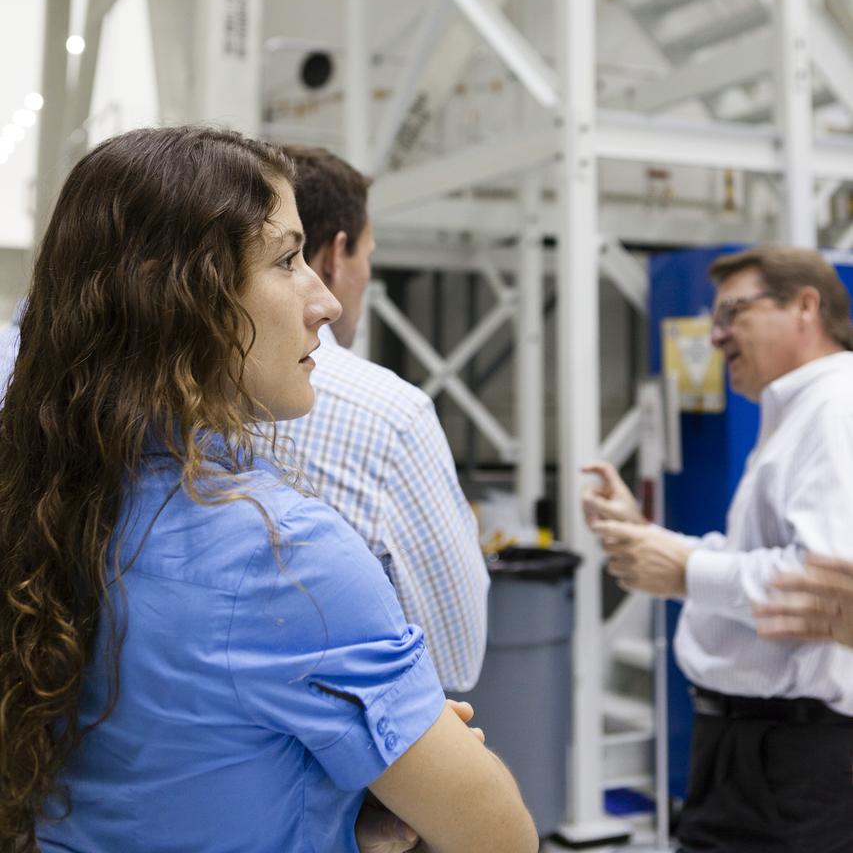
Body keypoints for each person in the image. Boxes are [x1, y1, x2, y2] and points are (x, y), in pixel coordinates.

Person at [0, 125, 537, 853]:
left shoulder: (40, 495)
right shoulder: (286, 558)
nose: (322, 302)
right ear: (181, 295)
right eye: (285, 260)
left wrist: (331, 807)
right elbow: (499, 837)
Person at [583, 246, 853, 853]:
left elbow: (821, 581)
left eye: (734, 311)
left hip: (790, 759)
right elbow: (760, 551)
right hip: (758, 750)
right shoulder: (798, 411)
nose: (717, 334)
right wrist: (655, 541)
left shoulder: (836, 409)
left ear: (805, 306)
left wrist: (684, 570)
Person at [259, 145, 489, 692]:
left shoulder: (164, 406)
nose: (334, 304)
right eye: (285, 261)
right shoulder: (389, 416)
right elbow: (457, 656)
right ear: (336, 255)